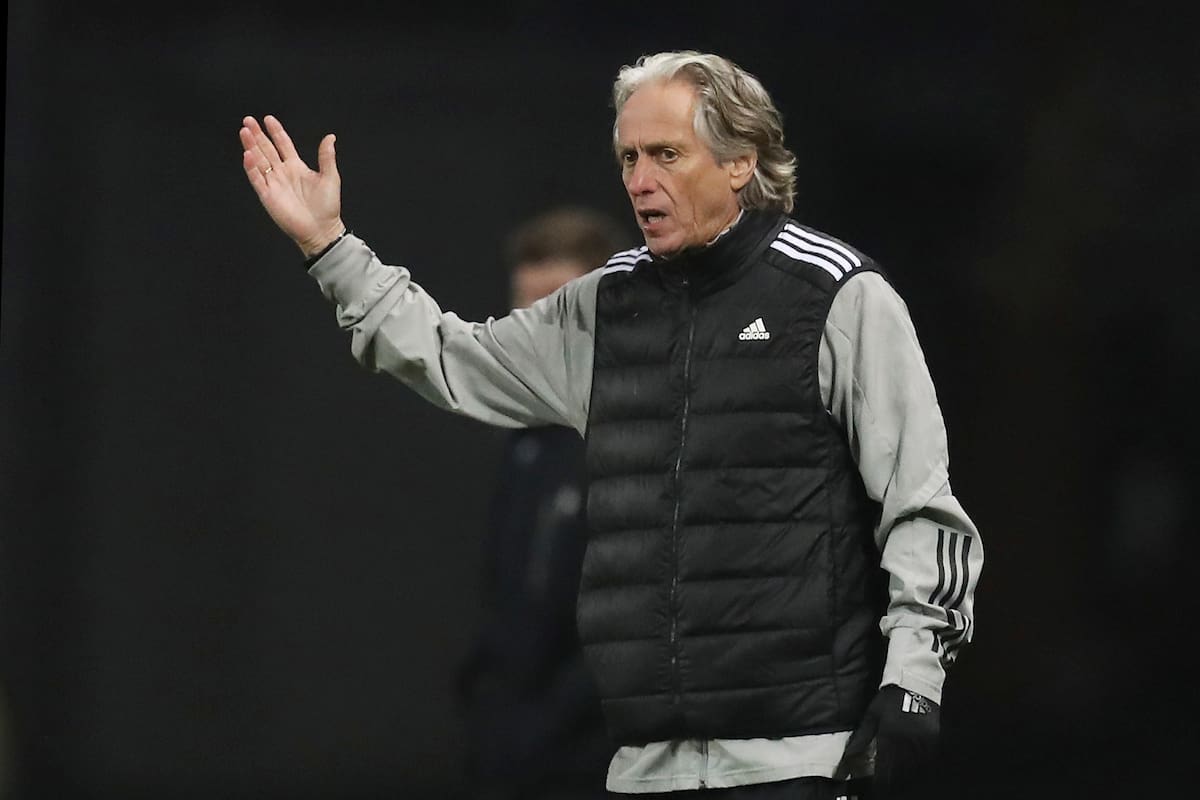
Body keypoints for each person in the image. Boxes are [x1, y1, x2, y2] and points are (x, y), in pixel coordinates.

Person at [238, 50, 983, 799]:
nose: (640, 180)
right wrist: (329, 248)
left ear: (740, 163)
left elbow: (921, 508)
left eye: (666, 154)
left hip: (800, 761)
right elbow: (448, 355)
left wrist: (914, 681)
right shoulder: (604, 308)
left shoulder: (837, 296)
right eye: (629, 157)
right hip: (643, 769)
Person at [455, 209, 626, 800]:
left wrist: (550, 725)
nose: (533, 324)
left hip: (598, 759)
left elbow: (640, 619)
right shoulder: (525, 438)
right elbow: (509, 597)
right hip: (513, 754)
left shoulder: (639, 435)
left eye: (553, 303)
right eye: (523, 305)